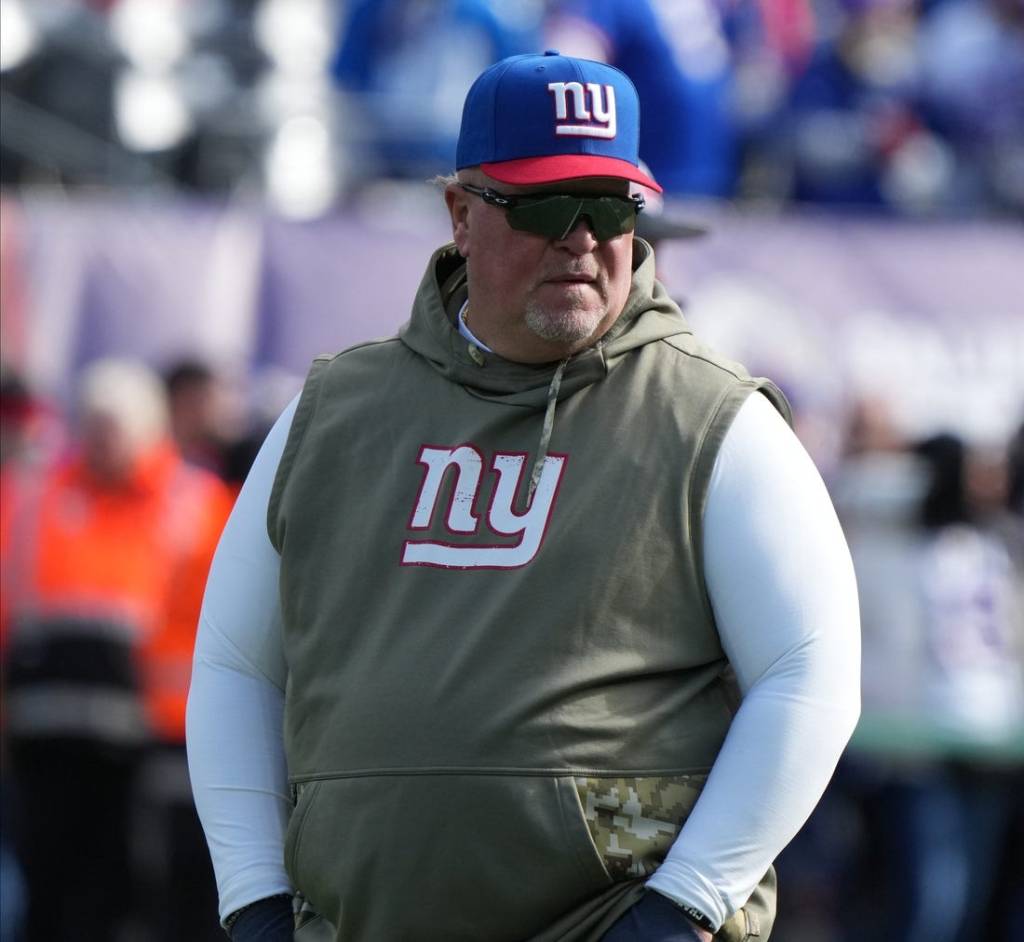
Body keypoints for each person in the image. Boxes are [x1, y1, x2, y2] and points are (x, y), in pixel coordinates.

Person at [187, 51, 860, 942]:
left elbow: (812, 674)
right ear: (460, 214)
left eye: (610, 205)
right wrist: (254, 899)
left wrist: (688, 902)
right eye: (544, 203)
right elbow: (236, 666)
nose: (581, 235)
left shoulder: (713, 418)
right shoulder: (333, 412)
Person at [1, 358, 232, 941]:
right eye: (94, 423)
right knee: (49, 899)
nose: (103, 438)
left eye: (117, 424)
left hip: (156, 750)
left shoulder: (195, 503)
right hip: (43, 749)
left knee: (150, 901)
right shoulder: (37, 501)